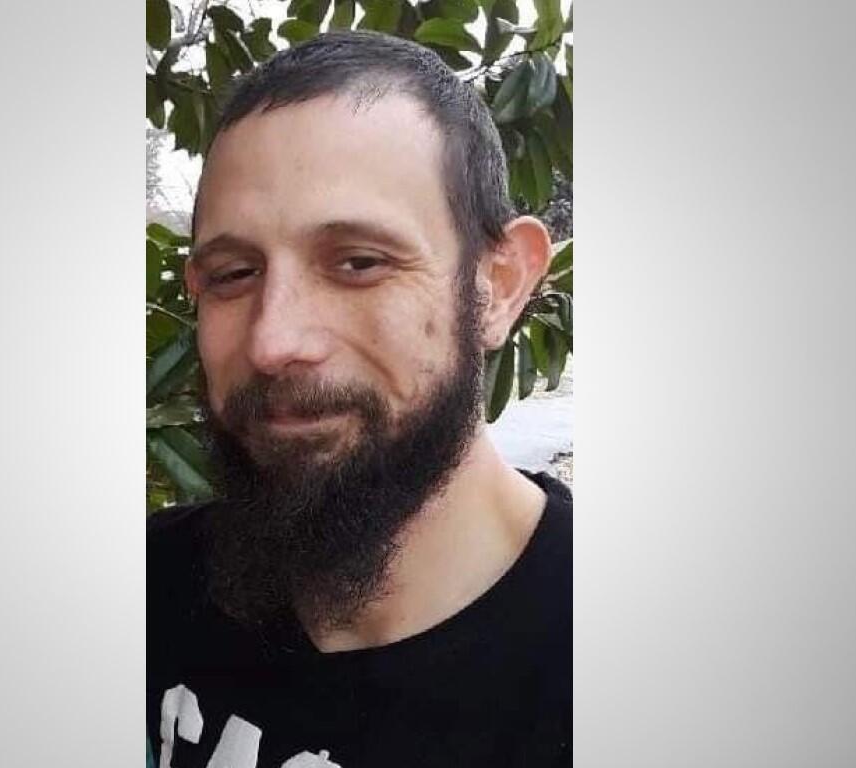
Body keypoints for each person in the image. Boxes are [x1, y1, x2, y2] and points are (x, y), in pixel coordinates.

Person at [148, 30, 571, 768]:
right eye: (233, 274)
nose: (272, 342)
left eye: (358, 262)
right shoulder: (154, 584)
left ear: (499, 286)